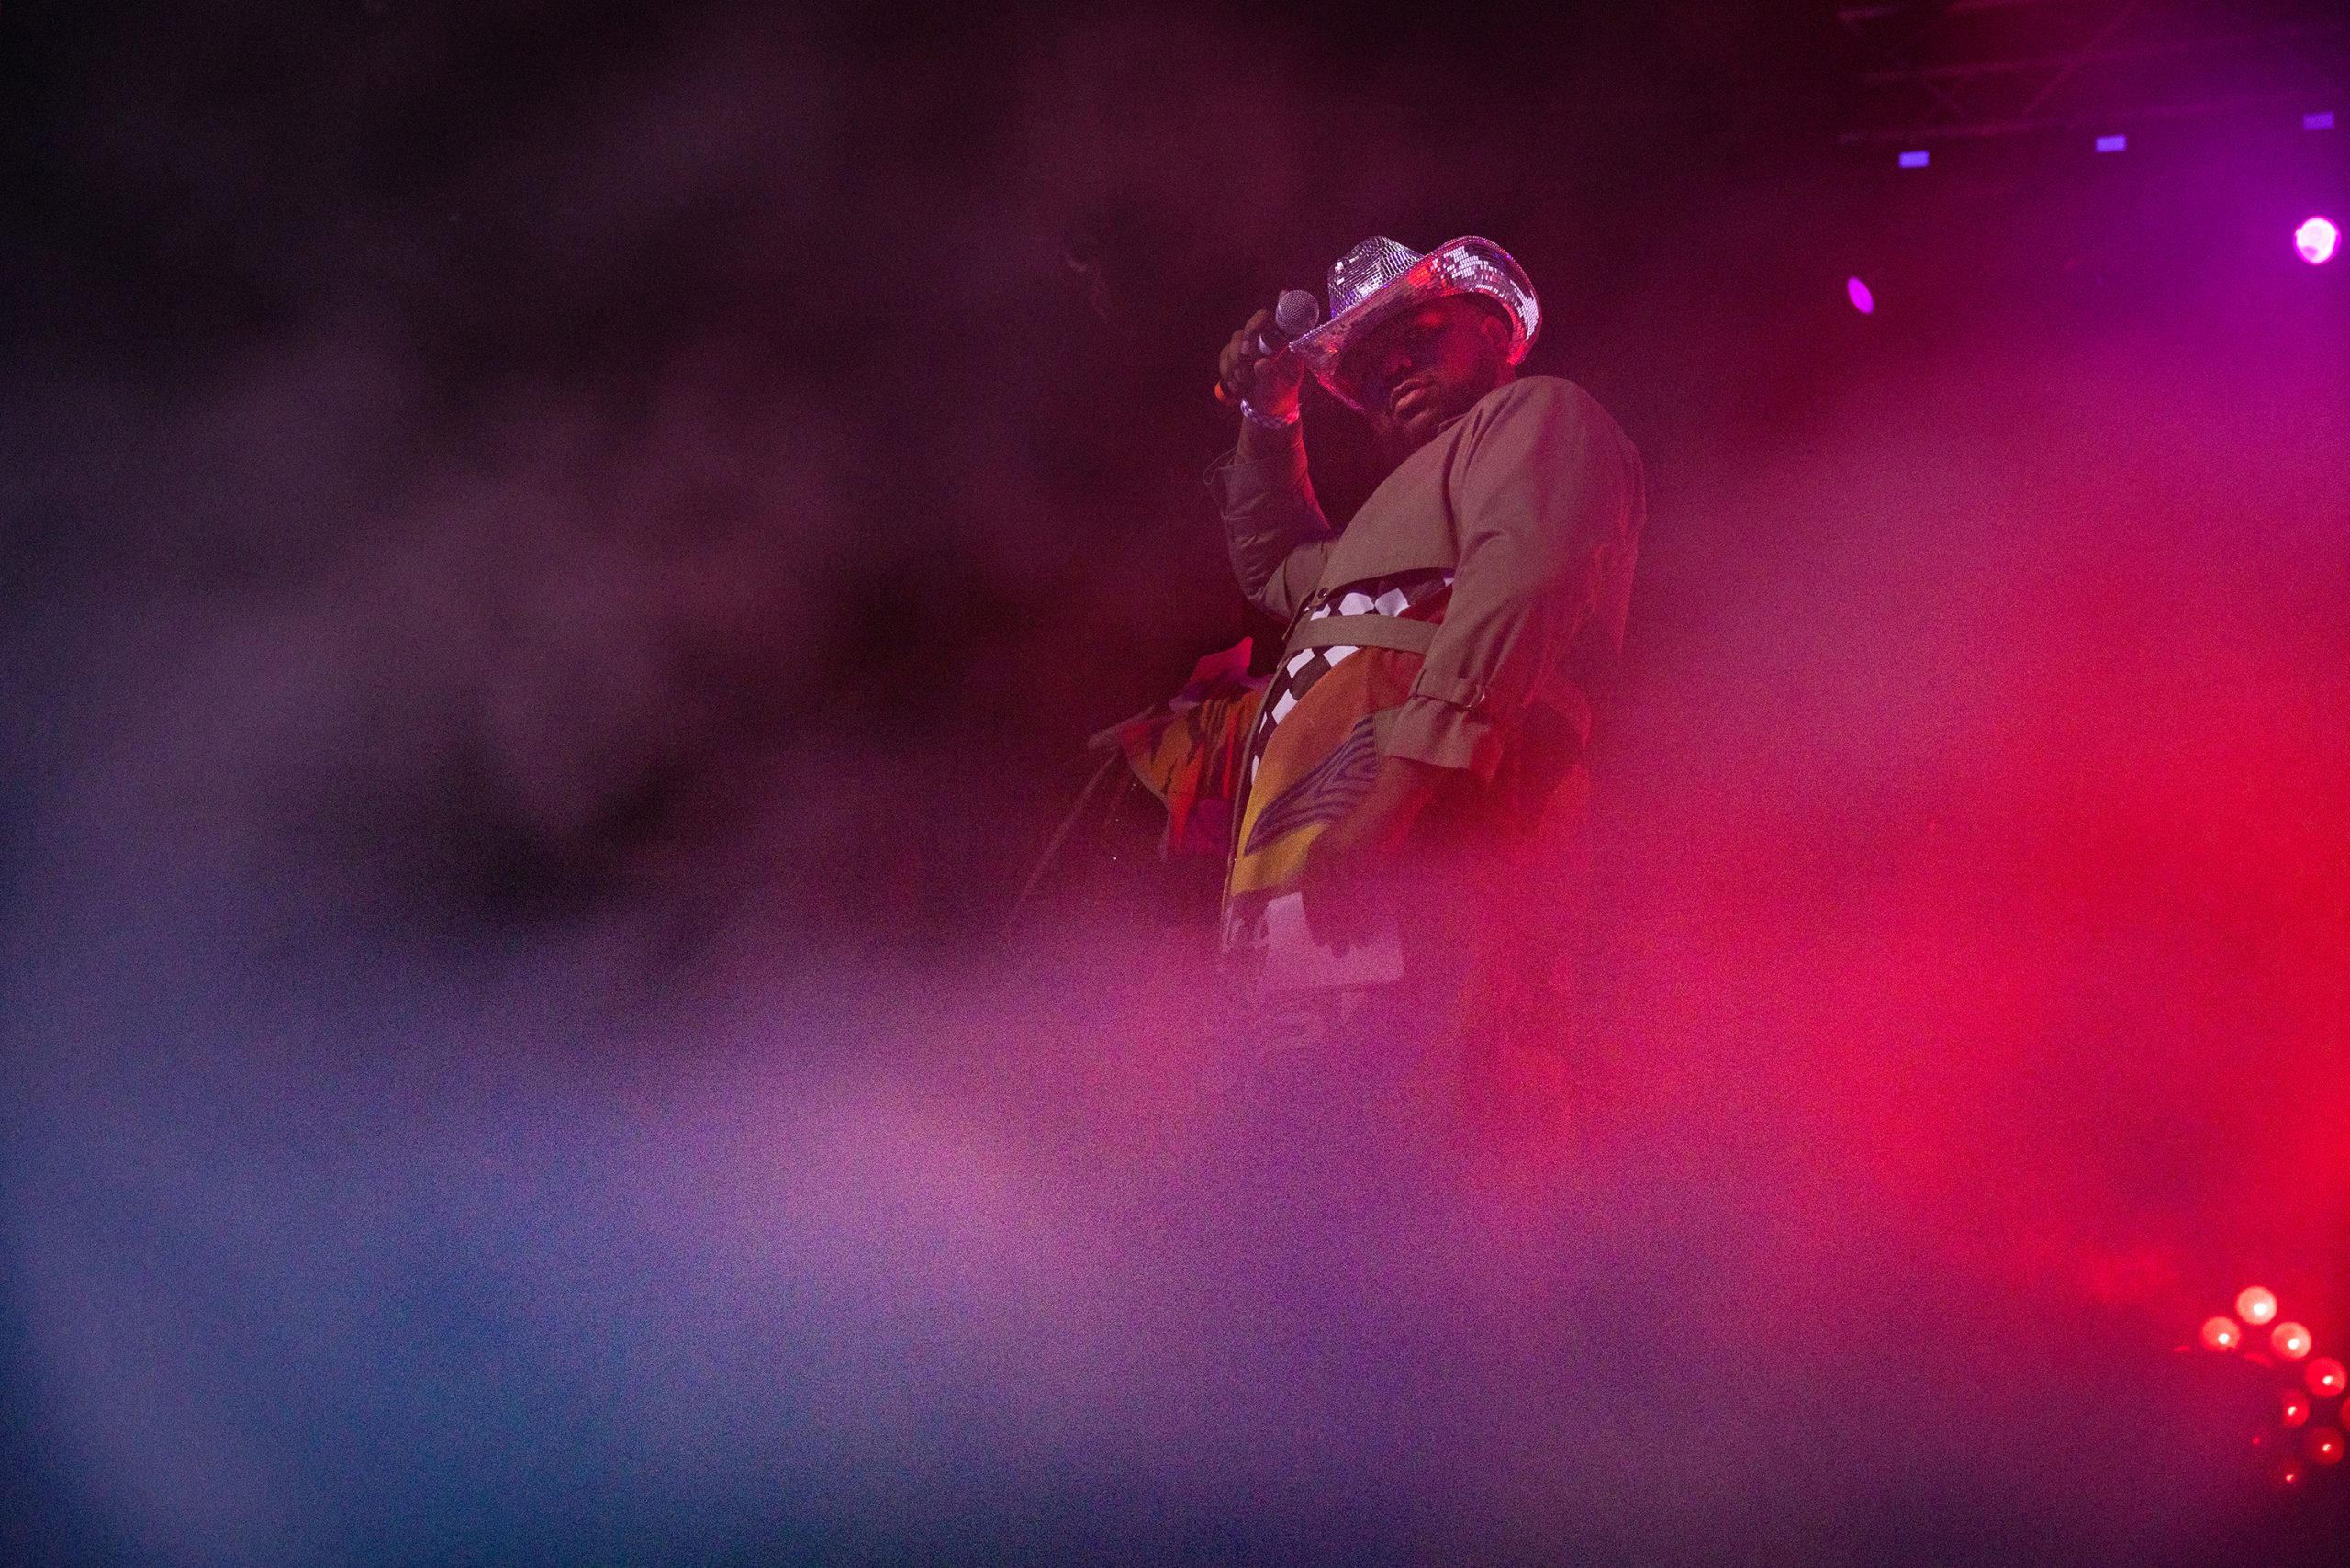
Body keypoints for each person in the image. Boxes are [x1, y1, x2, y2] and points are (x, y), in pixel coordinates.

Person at [1203, 234, 1646, 1150]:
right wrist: (1268, 413)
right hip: (1323, 890)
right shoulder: (1383, 529)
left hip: (1434, 855)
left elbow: (1520, 585)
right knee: (1316, 1161)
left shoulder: (1538, 415)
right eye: (1363, 365)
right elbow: (1271, 563)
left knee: (1441, 1138)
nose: (1389, 367)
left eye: (1419, 331)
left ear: (1490, 331)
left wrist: (1391, 804)